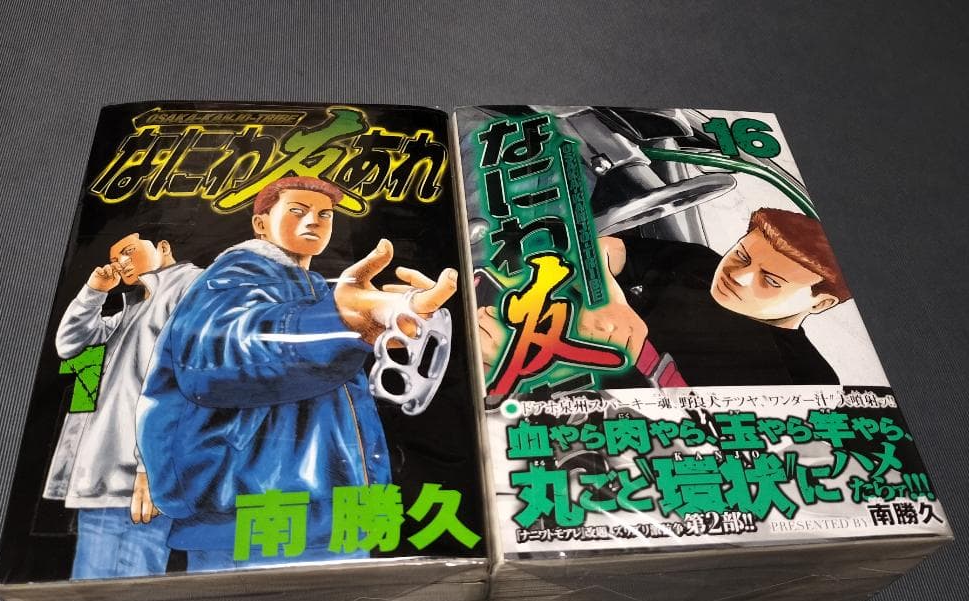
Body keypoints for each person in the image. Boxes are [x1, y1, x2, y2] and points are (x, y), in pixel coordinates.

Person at [137, 175, 457, 572]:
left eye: (324, 214)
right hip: (259, 525)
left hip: (329, 519)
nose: (313, 221)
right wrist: (342, 321)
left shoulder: (315, 290)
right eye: (297, 211)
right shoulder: (232, 277)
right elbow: (226, 350)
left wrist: (371, 323)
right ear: (260, 223)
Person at [478, 208, 851, 387]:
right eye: (741, 256)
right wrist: (608, 299)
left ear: (819, 303)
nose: (737, 276)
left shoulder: (807, 379)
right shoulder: (700, 264)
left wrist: (536, 370)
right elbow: (600, 249)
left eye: (769, 281)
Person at [43, 233, 203, 579]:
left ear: (163, 247)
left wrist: (153, 465)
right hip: (105, 474)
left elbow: (186, 380)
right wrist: (94, 292)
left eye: (128, 252)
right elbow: (70, 346)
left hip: (137, 477)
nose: (121, 263)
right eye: (116, 258)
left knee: (123, 583)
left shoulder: (191, 288)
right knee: (95, 585)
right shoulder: (134, 308)